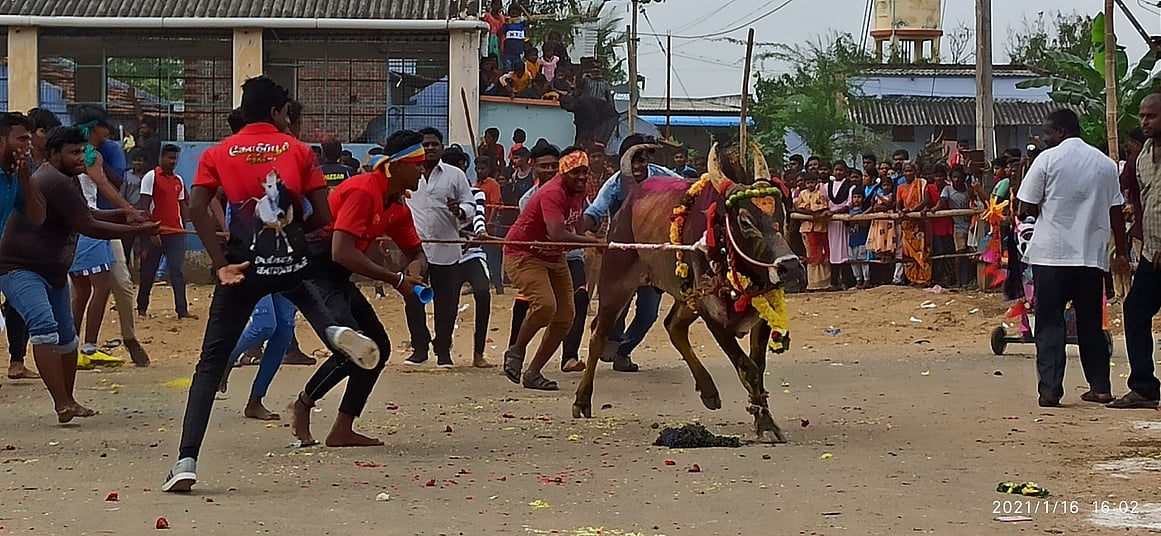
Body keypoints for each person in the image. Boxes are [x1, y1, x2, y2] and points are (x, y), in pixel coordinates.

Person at [164, 76, 369, 492]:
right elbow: (321, 217)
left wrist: (220, 264)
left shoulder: (217, 153)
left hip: (242, 266)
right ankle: (333, 329)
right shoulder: (298, 151)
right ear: (278, 112)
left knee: (209, 364)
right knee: (304, 288)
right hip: (291, 259)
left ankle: (186, 461)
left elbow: (197, 208)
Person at [0, 126, 156, 421]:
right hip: (21, 268)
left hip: (52, 271)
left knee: (68, 338)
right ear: (54, 154)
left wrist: (126, 215)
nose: (79, 158)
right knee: (45, 329)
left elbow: (84, 214)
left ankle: (68, 401)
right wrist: (136, 228)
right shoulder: (54, 180)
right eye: (72, 152)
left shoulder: (64, 179)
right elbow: (88, 225)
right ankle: (63, 403)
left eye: (81, 152)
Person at [288, 131, 429, 447]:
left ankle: (342, 428)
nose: (423, 170)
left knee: (377, 347)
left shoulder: (397, 205)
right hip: (314, 270)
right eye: (417, 164)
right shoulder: (365, 191)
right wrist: (395, 279)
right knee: (353, 348)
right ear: (396, 167)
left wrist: (415, 267)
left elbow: (417, 251)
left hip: (337, 275)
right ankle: (303, 403)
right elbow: (341, 251)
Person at [1015, 109, 1129, 408]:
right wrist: (1122, 252)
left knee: (1050, 322)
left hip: (1051, 256)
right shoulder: (1105, 164)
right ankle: (1101, 387)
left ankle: (1050, 390)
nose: (1045, 137)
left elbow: (1026, 204)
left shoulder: (1048, 159)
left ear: (1062, 131)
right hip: (1090, 257)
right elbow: (1116, 210)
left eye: (1048, 131)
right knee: (1091, 323)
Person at [503, 146, 601, 390]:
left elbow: (576, 225)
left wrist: (597, 237)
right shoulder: (553, 192)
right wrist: (594, 242)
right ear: (563, 172)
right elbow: (557, 233)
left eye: (584, 172)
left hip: (554, 256)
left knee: (565, 317)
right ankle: (516, 351)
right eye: (575, 172)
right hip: (524, 253)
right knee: (546, 306)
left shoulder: (578, 191)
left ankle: (533, 372)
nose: (581, 177)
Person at [580, 137, 678, 371]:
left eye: (641, 160)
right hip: (623, 257)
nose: (637, 166)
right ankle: (608, 340)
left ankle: (624, 350)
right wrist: (580, 229)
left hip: (654, 255)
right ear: (623, 161)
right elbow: (595, 211)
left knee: (648, 313)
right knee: (615, 308)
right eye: (631, 160)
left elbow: (688, 190)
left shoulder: (664, 177)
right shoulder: (614, 184)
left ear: (648, 160)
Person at [403, 127, 476, 368]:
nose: (430, 148)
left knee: (446, 303)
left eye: (435, 144)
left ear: (442, 147)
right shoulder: (408, 173)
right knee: (413, 301)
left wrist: (460, 211)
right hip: (414, 250)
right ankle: (419, 349)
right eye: (426, 144)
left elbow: (470, 206)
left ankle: (443, 351)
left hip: (447, 249)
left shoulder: (454, 175)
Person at [1110, 95, 1161, 409]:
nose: (1145, 122)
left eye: (1152, 116)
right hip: (1151, 253)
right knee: (1135, 311)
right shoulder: (1142, 158)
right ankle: (1143, 386)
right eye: (1142, 116)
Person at [0, 112, 44, 381]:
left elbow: (36, 217)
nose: (27, 144)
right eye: (21, 138)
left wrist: (26, 176)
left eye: (29, 138)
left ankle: (17, 359)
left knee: (19, 299)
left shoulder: (14, 175)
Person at [135, 144, 193, 319]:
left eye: (175, 158)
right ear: (161, 158)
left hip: (175, 233)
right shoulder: (150, 177)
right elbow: (144, 207)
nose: (173, 161)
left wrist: (184, 227)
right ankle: (142, 308)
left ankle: (182, 311)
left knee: (177, 272)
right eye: (170, 157)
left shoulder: (179, 181)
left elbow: (182, 205)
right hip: (155, 232)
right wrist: (151, 232)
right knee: (148, 272)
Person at [942, 165, 977, 287]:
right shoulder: (947, 190)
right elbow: (941, 203)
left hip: (972, 225)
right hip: (958, 226)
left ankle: (970, 280)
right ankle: (958, 281)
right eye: (954, 177)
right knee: (959, 253)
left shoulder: (969, 189)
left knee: (972, 254)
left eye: (959, 177)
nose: (957, 180)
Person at [896, 163, 931, 286]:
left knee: (921, 249)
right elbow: (898, 206)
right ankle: (912, 278)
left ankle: (924, 279)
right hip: (907, 225)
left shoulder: (921, 183)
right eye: (905, 171)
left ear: (915, 171)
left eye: (910, 171)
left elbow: (926, 200)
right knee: (908, 252)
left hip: (919, 223)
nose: (908, 173)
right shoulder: (900, 188)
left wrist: (913, 211)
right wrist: (901, 212)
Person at [474, 156, 505, 294]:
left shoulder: (493, 185)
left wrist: (491, 223)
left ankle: (498, 285)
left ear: (488, 169)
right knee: (479, 255)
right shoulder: (475, 185)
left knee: (493, 256)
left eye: (483, 168)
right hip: (477, 224)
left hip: (490, 225)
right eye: (478, 168)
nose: (480, 171)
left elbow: (495, 205)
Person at [795, 172, 830, 290]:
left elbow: (824, 208)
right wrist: (810, 213)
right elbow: (797, 208)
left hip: (820, 228)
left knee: (822, 253)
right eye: (808, 183)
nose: (810, 185)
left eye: (813, 182)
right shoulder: (802, 194)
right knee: (810, 254)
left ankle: (824, 282)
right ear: (805, 183)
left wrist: (817, 213)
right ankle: (812, 283)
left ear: (817, 183)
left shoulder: (820, 194)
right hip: (806, 228)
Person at [825, 161, 856, 290]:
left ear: (845, 172)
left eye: (841, 170)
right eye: (836, 170)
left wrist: (836, 211)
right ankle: (834, 282)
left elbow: (849, 203)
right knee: (833, 251)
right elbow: (824, 201)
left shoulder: (851, 186)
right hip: (831, 222)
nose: (838, 172)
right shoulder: (827, 186)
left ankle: (846, 281)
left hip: (843, 221)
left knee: (844, 250)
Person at [927, 164, 956, 288]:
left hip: (949, 224)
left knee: (949, 251)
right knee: (939, 252)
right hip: (936, 226)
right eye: (936, 176)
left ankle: (950, 278)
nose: (938, 178)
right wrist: (928, 209)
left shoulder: (949, 188)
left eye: (941, 176)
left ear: (945, 177)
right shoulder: (929, 188)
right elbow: (927, 202)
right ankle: (937, 278)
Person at [848, 190, 871, 289]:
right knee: (853, 260)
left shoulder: (864, 211)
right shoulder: (849, 211)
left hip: (862, 239)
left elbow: (865, 224)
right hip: (852, 239)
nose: (856, 199)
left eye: (859, 197)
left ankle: (866, 279)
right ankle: (858, 279)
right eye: (854, 197)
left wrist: (856, 218)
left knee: (863, 260)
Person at [501, 4, 528, 71]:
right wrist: (506, 22)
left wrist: (523, 9)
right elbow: (500, 32)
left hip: (518, 53)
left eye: (516, 13)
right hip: (508, 53)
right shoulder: (507, 25)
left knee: (517, 70)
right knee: (508, 70)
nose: (515, 15)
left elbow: (531, 19)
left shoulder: (521, 24)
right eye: (513, 13)